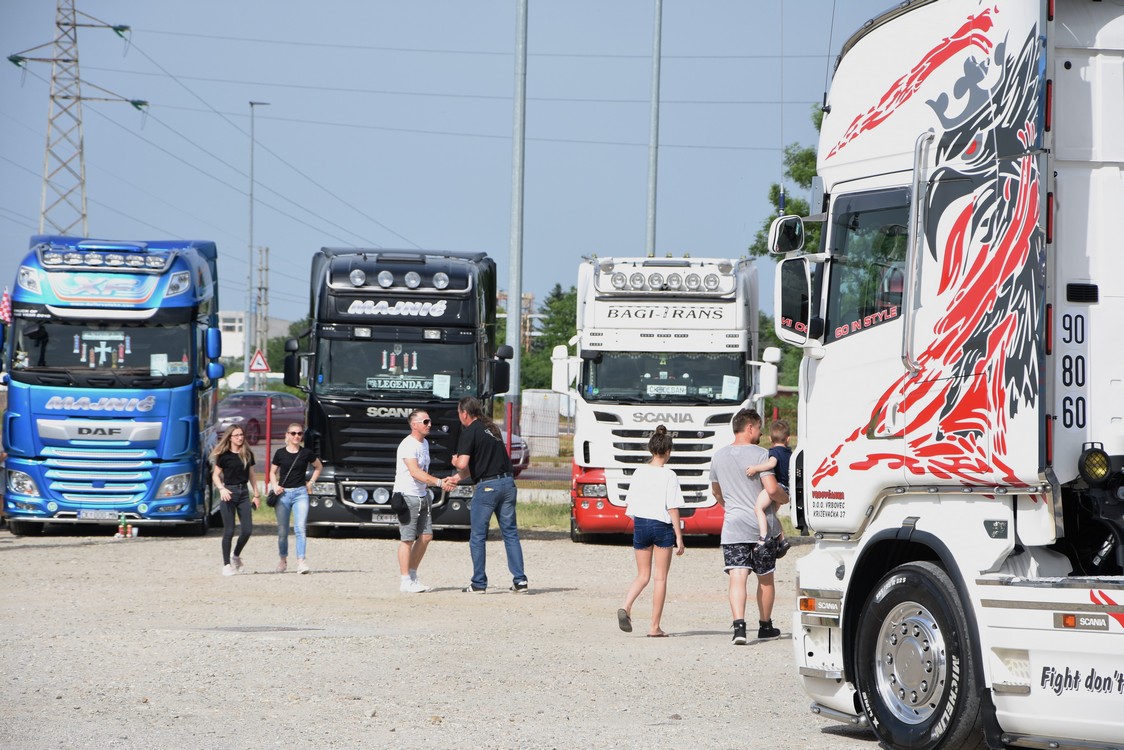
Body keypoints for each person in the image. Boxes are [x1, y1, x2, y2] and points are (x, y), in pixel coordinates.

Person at [711, 408, 789, 644]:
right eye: (758, 428)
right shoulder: (760, 454)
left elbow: (716, 491)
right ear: (749, 427)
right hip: (760, 528)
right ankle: (765, 626)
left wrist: (730, 507)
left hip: (733, 526)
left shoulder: (719, 456)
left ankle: (739, 629)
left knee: (737, 576)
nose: (760, 432)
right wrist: (785, 499)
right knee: (765, 578)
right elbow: (772, 489)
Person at [452, 396, 528, 594]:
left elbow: (462, 464)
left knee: (477, 536)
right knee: (510, 533)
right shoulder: (492, 430)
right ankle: (520, 580)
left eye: (459, 413)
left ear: (464, 413)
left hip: (487, 488)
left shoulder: (470, 431)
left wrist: (455, 461)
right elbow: (478, 465)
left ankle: (478, 583)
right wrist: (455, 479)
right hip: (507, 484)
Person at [617, 425, 685, 637]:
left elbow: (630, 501)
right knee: (660, 578)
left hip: (641, 524)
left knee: (642, 575)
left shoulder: (638, 472)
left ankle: (626, 606)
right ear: (668, 452)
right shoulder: (670, 475)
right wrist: (679, 537)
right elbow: (673, 507)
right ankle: (654, 627)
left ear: (651, 449)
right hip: (661, 527)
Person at [394, 409, 458, 593]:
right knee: (407, 538)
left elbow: (423, 471)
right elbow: (414, 471)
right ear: (414, 425)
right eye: (425, 422)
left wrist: (435, 484)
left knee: (426, 536)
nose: (429, 425)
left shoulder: (425, 444)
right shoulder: (408, 445)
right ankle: (405, 580)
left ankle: (413, 575)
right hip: (407, 495)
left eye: (429, 421)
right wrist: (439, 482)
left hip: (422, 495)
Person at [270, 423, 323, 574]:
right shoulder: (280, 453)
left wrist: (311, 482)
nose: (296, 436)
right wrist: (275, 486)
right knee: (282, 530)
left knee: (300, 528)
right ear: (287, 435)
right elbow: (272, 472)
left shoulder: (306, 453)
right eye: (293, 433)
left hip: (300, 493)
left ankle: (301, 561)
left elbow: (318, 467)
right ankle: (282, 559)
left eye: (299, 434)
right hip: (284, 494)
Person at [210, 425, 260, 576]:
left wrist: (256, 495)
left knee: (247, 530)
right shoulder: (224, 456)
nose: (240, 437)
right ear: (230, 438)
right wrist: (221, 489)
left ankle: (236, 555)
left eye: (241, 435)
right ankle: (226, 565)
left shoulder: (247, 454)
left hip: (243, 492)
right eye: (236, 435)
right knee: (229, 530)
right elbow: (215, 475)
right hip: (229, 493)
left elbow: (252, 475)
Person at [744, 420, 793, 558]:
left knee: (758, 508)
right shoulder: (789, 453)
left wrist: (755, 468)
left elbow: (772, 463)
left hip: (777, 486)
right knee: (771, 514)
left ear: (770, 439)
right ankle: (782, 540)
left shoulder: (774, 452)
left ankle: (763, 537)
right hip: (786, 488)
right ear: (788, 439)